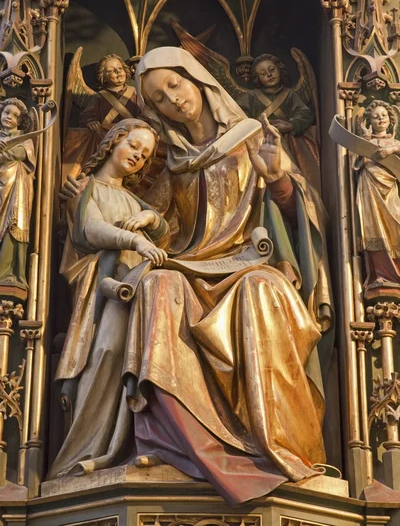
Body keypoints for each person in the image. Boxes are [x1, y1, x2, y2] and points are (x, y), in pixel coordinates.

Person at [53, 47, 333, 506]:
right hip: (188, 266)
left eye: (174, 86)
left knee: (262, 293)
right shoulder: (170, 162)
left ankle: (276, 447)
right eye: (159, 99)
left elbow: (306, 222)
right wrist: (81, 196)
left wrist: (280, 180)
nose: (172, 101)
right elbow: (149, 220)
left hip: (249, 266)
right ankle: (172, 444)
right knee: (158, 286)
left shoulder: (252, 139)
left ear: (196, 78)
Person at [50, 118, 169, 479]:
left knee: (145, 358)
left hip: (141, 291)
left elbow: (164, 239)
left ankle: (133, 445)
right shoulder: (84, 187)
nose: (138, 156)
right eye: (133, 145)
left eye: (145, 155)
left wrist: (152, 217)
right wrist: (134, 239)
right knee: (106, 352)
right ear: (114, 139)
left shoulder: (135, 200)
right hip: (104, 289)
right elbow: (90, 229)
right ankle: (83, 450)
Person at [239, 54, 321, 193]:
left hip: (286, 143)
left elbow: (305, 114)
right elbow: (237, 114)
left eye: (272, 70)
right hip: (259, 143)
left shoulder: (289, 95)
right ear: (257, 78)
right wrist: (255, 125)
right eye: (263, 74)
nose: (269, 75)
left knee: (289, 172)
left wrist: (290, 125)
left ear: (279, 70)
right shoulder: (252, 96)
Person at [63, 54, 140, 181]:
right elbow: (87, 114)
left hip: (131, 139)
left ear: (125, 71)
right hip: (106, 139)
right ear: (103, 77)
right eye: (111, 71)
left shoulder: (135, 94)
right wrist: (90, 121)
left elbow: (143, 114)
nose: (117, 72)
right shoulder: (100, 97)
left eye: (119, 68)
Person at [354, 100, 400, 290]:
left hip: (390, 188)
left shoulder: (396, 142)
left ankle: (397, 274)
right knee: (374, 227)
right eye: (375, 116)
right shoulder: (367, 142)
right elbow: (355, 164)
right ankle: (380, 275)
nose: (380, 118)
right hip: (370, 187)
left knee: (395, 223)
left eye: (384, 115)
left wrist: (392, 149)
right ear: (370, 122)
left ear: (390, 120)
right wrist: (364, 140)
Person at [0, 98, 35, 287]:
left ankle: (9, 273)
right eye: (6, 112)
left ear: (20, 122)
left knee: (12, 226)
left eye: (15, 115)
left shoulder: (24, 140)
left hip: (15, 188)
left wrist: (4, 154)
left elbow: (21, 153)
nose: (9, 117)